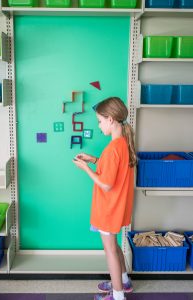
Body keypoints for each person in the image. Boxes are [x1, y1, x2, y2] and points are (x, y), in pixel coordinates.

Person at [73, 97, 136, 300]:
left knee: (110, 251)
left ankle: (118, 295)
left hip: (108, 209)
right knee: (115, 246)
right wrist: (94, 159)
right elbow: (113, 171)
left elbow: (106, 184)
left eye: (100, 121)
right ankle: (124, 282)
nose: (99, 125)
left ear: (110, 119)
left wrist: (86, 169)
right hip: (117, 208)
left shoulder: (112, 149)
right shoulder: (122, 144)